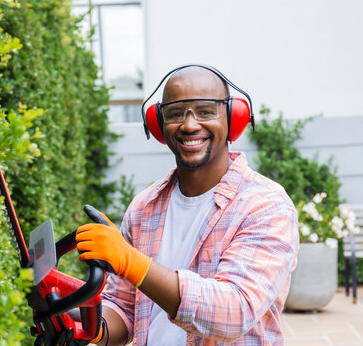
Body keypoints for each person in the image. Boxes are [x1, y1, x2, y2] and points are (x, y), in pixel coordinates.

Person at [76, 65, 299, 345]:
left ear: (233, 118)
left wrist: (131, 262)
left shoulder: (265, 205)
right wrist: (78, 324)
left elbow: (235, 312)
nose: (190, 125)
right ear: (158, 125)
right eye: (175, 113)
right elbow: (123, 310)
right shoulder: (144, 207)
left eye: (206, 111)